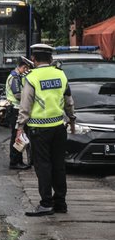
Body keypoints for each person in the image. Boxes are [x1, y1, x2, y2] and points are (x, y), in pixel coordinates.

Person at [16, 44, 76, 216]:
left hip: (39, 130)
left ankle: (46, 203)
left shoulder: (32, 77)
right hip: (58, 128)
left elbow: (25, 105)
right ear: (50, 59)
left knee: (43, 166)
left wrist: (20, 127)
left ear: (33, 59)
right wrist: (71, 119)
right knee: (58, 166)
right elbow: (69, 101)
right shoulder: (61, 75)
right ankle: (60, 203)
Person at [6, 60, 31, 170]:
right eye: (26, 69)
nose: (27, 71)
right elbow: (17, 94)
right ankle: (15, 161)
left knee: (19, 136)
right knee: (17, 136)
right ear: (23, 67)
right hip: (15, 109)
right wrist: (29, 97)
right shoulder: (15, 78)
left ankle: (18, 160)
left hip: (16, 109)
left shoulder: (17, 76)